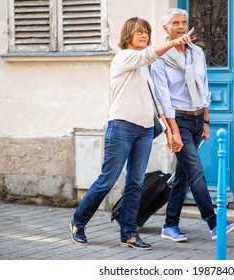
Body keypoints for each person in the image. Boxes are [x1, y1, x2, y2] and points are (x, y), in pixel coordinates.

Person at [70, 17, 195, 250]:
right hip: (121, 127)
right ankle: (78, 222)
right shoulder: (124, 58)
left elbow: (156, 100)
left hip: (145, 129)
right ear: (128, 34)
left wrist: (169, 130)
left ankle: (128, 234)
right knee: (107, 180)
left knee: (136, 183)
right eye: (139, 31)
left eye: (147, 32)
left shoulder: (145, 67)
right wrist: (174, 42)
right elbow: (148, 54)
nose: (145, 35)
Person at [151, 8, 234, 242]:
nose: (181, 27)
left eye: (183, 22)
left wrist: (206, 121)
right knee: (196, 171)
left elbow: (204, 86)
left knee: (183, 176)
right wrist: (173, 132)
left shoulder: (197, 52)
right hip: (178, 119)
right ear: (166, 29)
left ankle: (170, 225)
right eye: (175, 23)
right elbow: (163, 99)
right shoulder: (159, 59)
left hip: (197, 118)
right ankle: (214, 223)